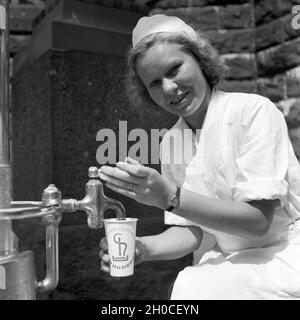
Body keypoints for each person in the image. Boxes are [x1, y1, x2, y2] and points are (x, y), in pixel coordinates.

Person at [98, 14, 300, 299]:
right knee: (189, 287)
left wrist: (170, 196)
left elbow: (258, 221)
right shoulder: (170, 143)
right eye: (154, 83)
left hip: (283, 257)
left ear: (200, 59)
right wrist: (143, 248)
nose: (169, 88)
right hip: (229, 260)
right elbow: (193, 232)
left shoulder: (254, 112)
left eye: (174, 69)